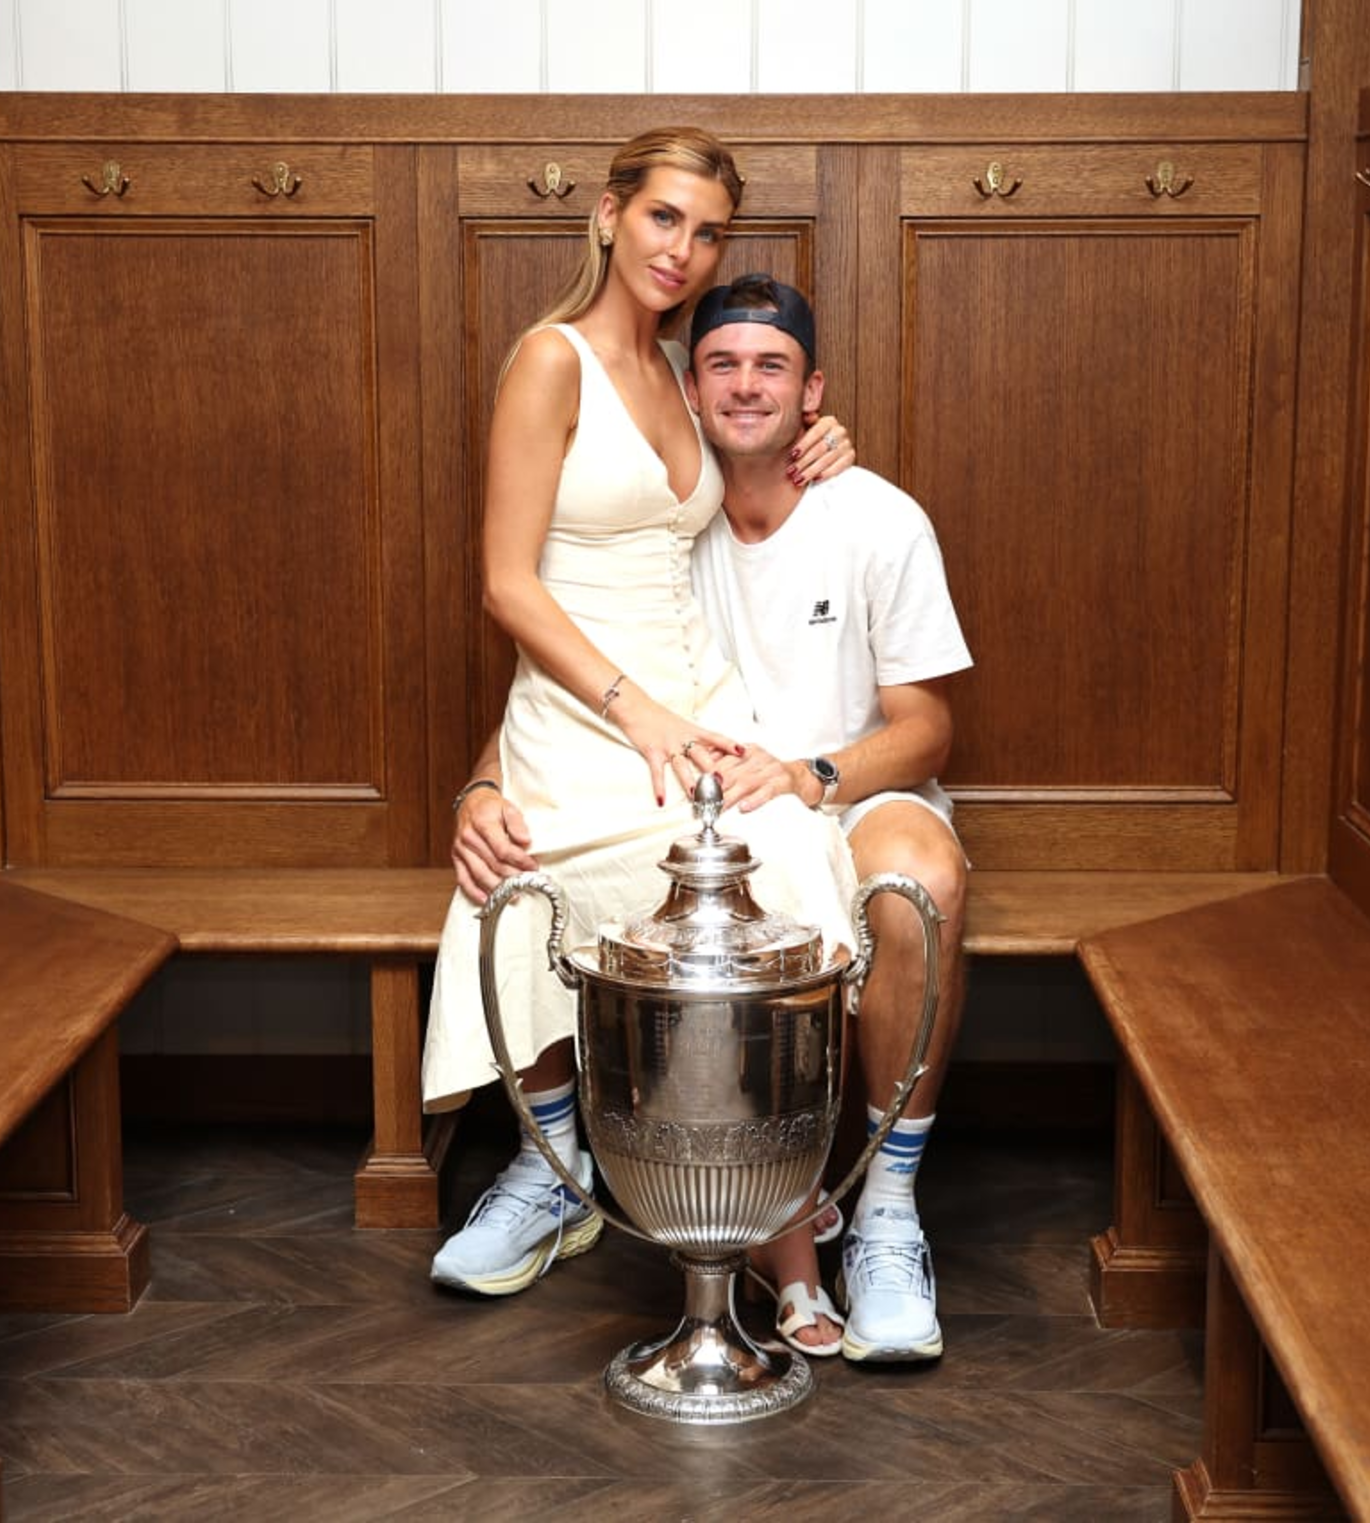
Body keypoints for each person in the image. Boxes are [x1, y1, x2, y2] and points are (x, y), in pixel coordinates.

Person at [455, 273, 973, 1365]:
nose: (746, 387)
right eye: (722, 365)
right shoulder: (661, 527)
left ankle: (885, 1212)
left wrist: (812, 775)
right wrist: (482, 787)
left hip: (845, 787)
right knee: (526, 858)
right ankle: (578, 1172)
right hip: (698, 801)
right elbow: (557, 684)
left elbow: (928, 728)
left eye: (772, 366)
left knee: (916, 883)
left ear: (813, 390)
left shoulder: (876, 517)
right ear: (687, 391)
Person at [420, 130, 864, 1302]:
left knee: (790, 850)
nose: (683, 250)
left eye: (708, 232)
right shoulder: (549, 360)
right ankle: (554, 1162)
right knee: (527, 885)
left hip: (697, 698)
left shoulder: (677, 367)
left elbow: (759, 438)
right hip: (588, 709)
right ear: (611, 214)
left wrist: (824, 435)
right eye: (665, 217)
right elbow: (505, 582)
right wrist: (633, 713)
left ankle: (761, 1176)